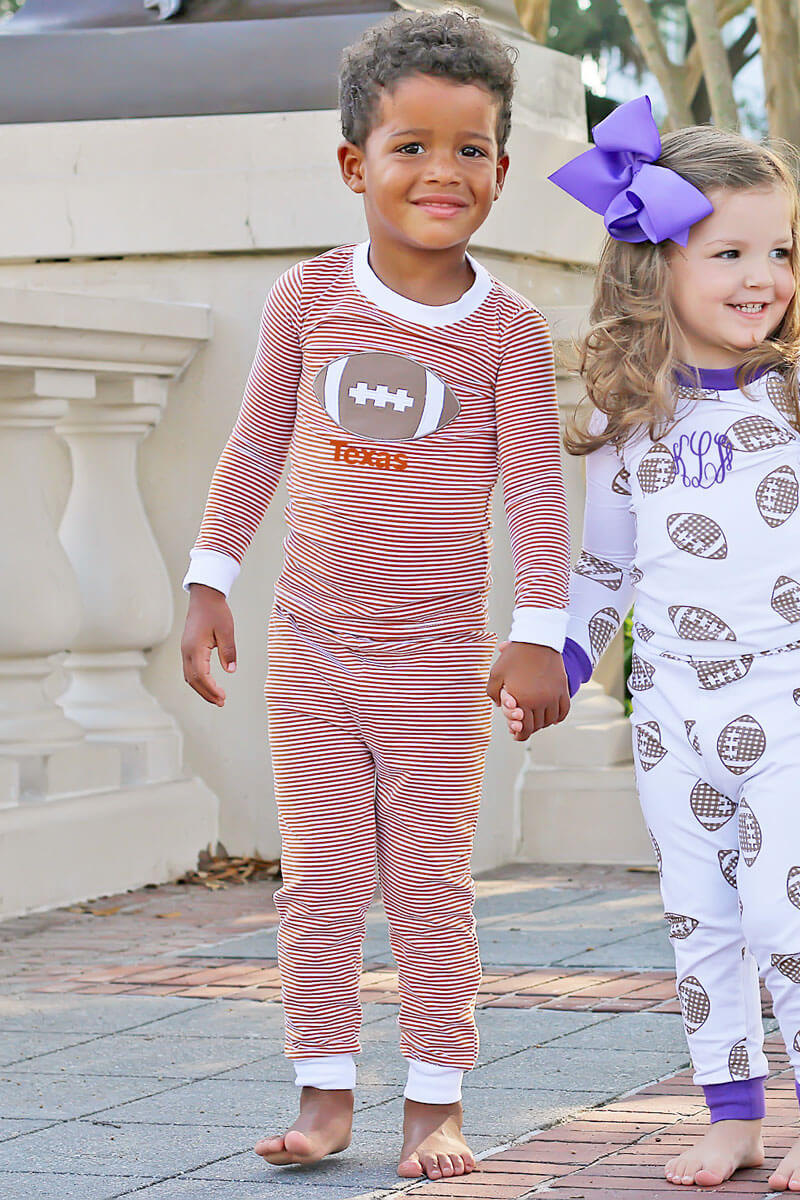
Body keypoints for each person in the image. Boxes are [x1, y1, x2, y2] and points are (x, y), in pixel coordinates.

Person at [500, 97, 800, 1191]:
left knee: (786, 907)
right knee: (700, 919)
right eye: (730, 250)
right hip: (673, 712)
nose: (763, 275)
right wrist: (563, 664)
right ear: (657, 267)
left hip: (792, 702)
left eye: (779, 250)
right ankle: (732, 1110)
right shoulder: (626, 412)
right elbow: (602, 571)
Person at [179, 9, 570, 1180]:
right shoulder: (306, 300)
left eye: (470, 150)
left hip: (437, 658)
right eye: (411, 146)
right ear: (357, 164)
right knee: (325, 878)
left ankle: (434, 1102)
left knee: (429, 880)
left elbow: (536, 497)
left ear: (501, 171)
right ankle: (324, 1094)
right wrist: (210, 581)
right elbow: (253, 452)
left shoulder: (509, 332)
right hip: (308, 644)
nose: (440, 172)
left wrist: (536, 635)